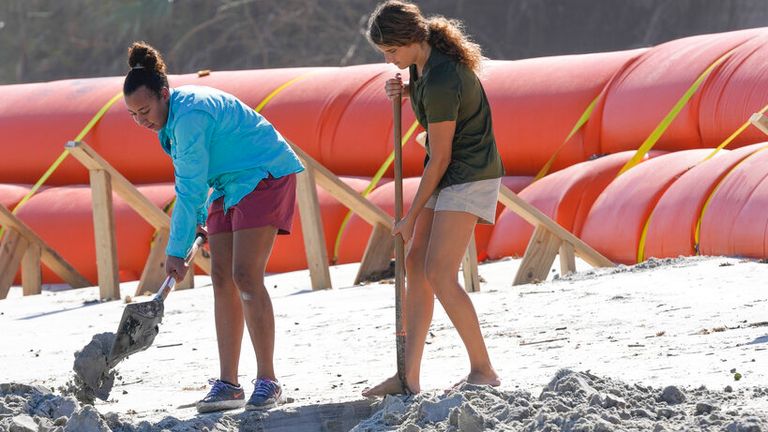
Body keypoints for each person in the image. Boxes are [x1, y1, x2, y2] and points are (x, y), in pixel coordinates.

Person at [122, 41, 304, 412]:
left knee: (245, 275)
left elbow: (188, 189)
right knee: (221, 277)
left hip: (265, 173)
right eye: (133, 115)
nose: (141, 121)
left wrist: (175, 250)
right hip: (226, 185)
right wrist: (201, 221)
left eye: (144, 111)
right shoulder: (167, 123)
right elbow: (200, 178)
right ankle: (229, 385)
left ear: (163, 94)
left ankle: (268, 380)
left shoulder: (189, 117)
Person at [363, 1, 504, 396]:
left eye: (392, 52)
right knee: (414, 263)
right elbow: (428, 96)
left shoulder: (443, 77)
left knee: (440, 272)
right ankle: (408, 376)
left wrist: (410, 215)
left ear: (411, 39)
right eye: (385, 55)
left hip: (468, 173)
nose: (390, 61)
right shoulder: (420, 66)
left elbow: (440, 157)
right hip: (447, 170)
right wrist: (405, 89)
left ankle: (484, 369)